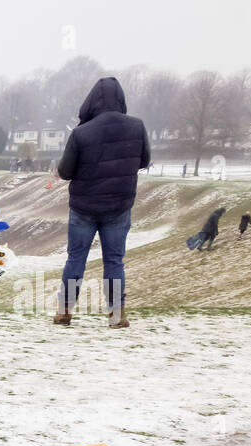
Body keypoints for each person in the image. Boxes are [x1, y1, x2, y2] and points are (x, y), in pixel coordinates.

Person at [53, 77, 150, 330]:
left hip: (84, 207)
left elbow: (65, 171)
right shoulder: (137, 126)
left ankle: (64, 311)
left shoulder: (81, 132)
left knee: (75, 259)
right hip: (119, 206)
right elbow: (144, 161)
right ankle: (117, 314)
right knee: (114, 261)